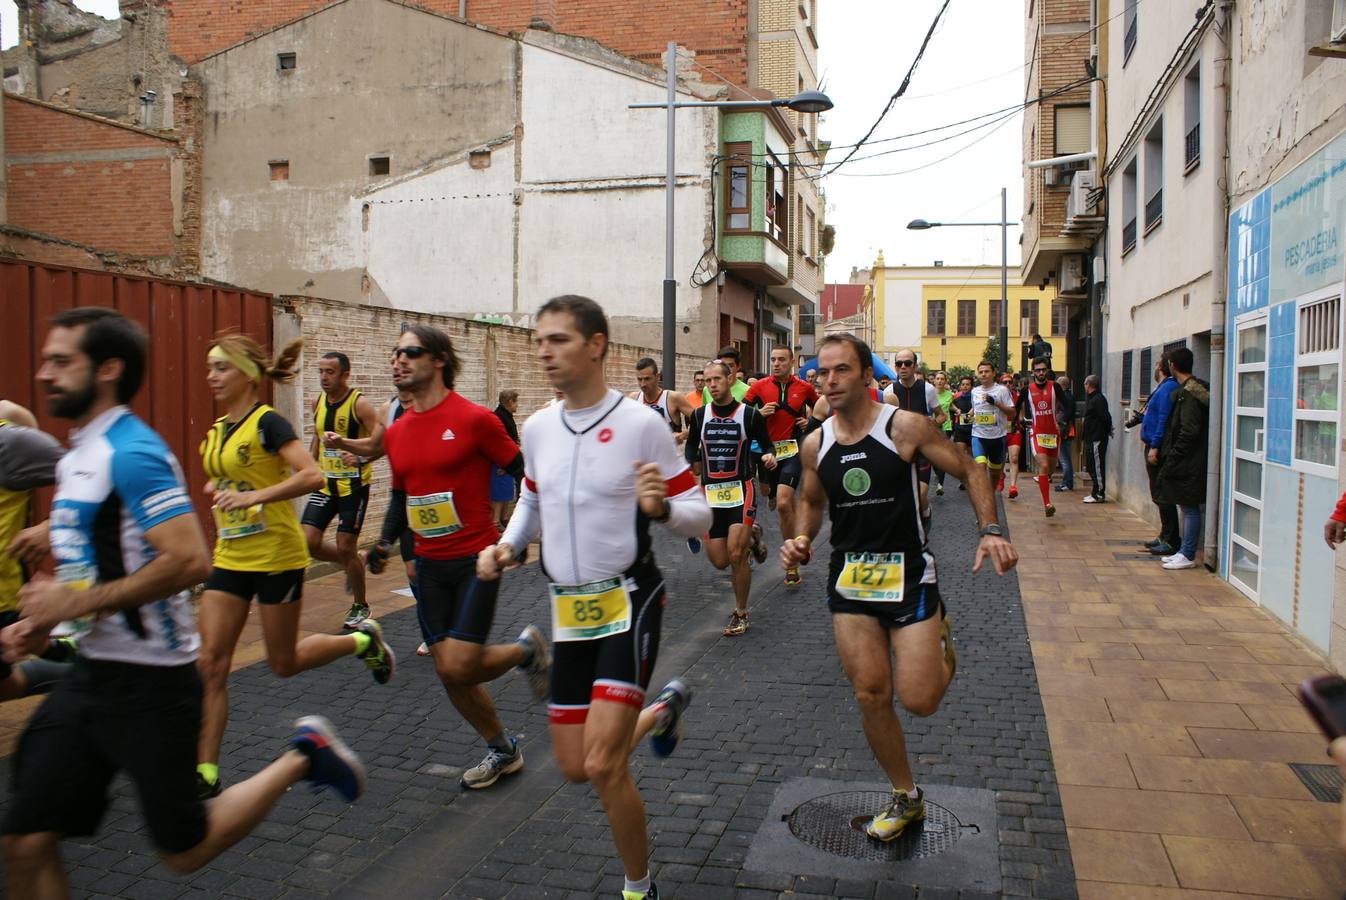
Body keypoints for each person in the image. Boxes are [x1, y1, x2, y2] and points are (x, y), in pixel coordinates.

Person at [1, 308, 365, 898]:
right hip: (97, 672)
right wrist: (39, 621)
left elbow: (186, 558)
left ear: (109, 369)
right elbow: (98, 561)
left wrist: (72, 603)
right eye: (46, 360)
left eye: (62, 362)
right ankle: (208, 765)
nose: (44, 374)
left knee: (186, 846)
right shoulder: (77, 458)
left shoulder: (134, 451)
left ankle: (305, 753)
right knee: (24, 839)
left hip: (155, 680)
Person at [479, 295, 711, 900]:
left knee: (606, 765)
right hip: (568, 612)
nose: (544, 351)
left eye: (557, 339)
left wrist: (660, 508)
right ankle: (659, 712)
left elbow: (701, 512)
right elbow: (531, 500)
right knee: (575, 766)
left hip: (630, 601)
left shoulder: (641, 425)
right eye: (540, 340)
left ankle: (639, 887)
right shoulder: (535, 428)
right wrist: (505, 547)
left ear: (596, 345)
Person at [780, 333, 1017, 843]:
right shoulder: (815, 443)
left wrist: (990, 530)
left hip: (909, 575)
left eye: (842, 370)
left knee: (920, 700)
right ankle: (905, 796)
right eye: (823, 372)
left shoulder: (905, 427)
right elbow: (812, 501)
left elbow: (971, 468)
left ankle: (941, 640)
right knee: (869, 693)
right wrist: (801, 538)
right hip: (850, 581)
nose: (831, 380)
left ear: (867, 376)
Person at [195, 332, 393, 800]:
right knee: (211, 665)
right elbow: (231, 479)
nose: (211, 376)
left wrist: (252, 495)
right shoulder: (217, 429)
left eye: (220, 367)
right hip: (230, 557)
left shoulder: (268, 424)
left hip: (275, 559)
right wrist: (222, 491)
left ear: (246, 373)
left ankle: (361, 639)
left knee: (282, 663)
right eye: (208, 368)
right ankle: (204, 770)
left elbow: (311, 474)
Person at [355, 326, 549, 790]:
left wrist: (515, 540)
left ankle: (527, 651)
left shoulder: (474, 420)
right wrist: (383, 542)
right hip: (428, 564)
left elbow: (525, 472)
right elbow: (401, 498)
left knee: (457, 665)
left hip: (476, 559)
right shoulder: (397, 432)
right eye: (394, 353)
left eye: (410, 352)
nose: (398, 361)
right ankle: (503, 749)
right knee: (448, 672)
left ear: (438, 360)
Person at [688, 362, 776, 635]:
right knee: (719, 560)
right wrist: (690, 464)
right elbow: (692, 446)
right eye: (707, 380)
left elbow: (767, 443)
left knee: (736, 556)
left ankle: (741, 613)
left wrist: (769, 457)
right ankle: (754, 536)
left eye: (716, 379)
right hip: (711, 494)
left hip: (740, 491)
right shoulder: (699, 415)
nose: (711, 385)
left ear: (730, 379)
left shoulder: (749, 415)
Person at [301, 352, 379, 630]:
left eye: (329, 372)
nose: (323, 377)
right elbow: (317, 435)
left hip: (353, 487)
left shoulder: (360, 405)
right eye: (320, 371)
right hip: (325, 485)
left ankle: (361, 604)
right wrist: (309, 464)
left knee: (346, 545)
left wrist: (359, 457)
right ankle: (353, 562)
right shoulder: (317, 402)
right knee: (308, 542)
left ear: (345, 374)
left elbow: (380, 443)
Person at [0, 408, 72, 701]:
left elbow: (97, 480)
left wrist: (51, 526)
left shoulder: (9, 443)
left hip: (2, 600)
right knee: (8, 685)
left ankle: (93, 669)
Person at [743, 346, 816, 585]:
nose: (776, 364)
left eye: (781, 360)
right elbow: (739, 414)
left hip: (792, 451)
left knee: (785, 503)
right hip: (765, 453)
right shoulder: (758, 387)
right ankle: (758, 528)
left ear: (792, 362)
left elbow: (823, 408)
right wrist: (759, 414)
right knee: (768, 494)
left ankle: (792, 563)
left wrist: (810, 422)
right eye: (773, 359)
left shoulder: (804, 388)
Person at [1153, 347, 1209, 570]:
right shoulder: (1185, 391)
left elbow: (1188, 431)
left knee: (1190, 507)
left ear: (1172, 366)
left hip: (1188, 461)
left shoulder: (1189, 394)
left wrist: (1173, 456)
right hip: (1186, 459)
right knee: (1186, 506)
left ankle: (1187, 553)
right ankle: (1183, 550)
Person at [884, 349, 946, 531]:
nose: (903, 367)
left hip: (922, 450)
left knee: (920, 494)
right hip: (898, 451)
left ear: (915, 366)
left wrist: (931, 425)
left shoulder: (927, 389)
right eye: (899, 364)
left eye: (907, 363)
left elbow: (942, 416)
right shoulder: (889, 391)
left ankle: (926, 513)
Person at [1015, 358, 1067, 518]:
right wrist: (1016, 421)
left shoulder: (1055, 387)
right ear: (1033, 372)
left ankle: (1045, 479)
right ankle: (1047, 504)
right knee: (1043, 465)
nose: (1040, 372)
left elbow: (1067, 405)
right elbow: (1017, 407)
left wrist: (1062, 422)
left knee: (1050, 469)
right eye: (1037, 370)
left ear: (1047, 371)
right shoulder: (1027, 390)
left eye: (1043, 369)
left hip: (1053, 434)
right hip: (1036, 433)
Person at [1140, 356, 1181, 555]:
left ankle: (1171, 539)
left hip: (1159, 448)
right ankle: (1164, 534)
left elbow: (1163, 419)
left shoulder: (1167, 388)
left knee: (1162, 494)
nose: (1155, 369)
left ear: (1163, 368)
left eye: (1156, 365)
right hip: (1152, 444)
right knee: (1157, 494)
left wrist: (1155, 446)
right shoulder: (1163, 387)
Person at [970, 362, 1016, 489]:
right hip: (978, 436)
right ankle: (983, 494)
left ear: (993, 373)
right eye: (981, 372)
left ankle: (990, 493)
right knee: (980, 466)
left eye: (986, 371)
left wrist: (996, 403)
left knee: (995, 474)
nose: (983, 374)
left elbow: (1012, 412)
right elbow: (975, 409)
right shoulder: (974, 391)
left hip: (997, 437)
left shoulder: (1002, 390)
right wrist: (968, 415)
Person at [631, 357, 693, 440]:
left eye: (647, 379)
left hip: (667, 452)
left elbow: (700, 421)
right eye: (639, 379)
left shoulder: (673, 398)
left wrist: (683, 434)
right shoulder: (633, 398)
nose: (643, 384)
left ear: (657, 376)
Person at [491, 389, 522, 531]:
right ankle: (496, 522)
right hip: (501, 463)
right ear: (510, 402)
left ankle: (503, 519)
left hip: (507, 461)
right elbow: (496, 443)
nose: (517, 406)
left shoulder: (506, 415)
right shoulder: (498, 417)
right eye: (516, 402)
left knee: (506, 492)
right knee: (499, 493)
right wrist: (502, 464)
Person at [1080, 375, 1112, 504]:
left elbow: (1105, 417)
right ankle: (1095, 491)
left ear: (1089, 384)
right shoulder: (1093, 399)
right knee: (1092, 466)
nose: (1084, 387)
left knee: (1097, 466)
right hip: (1091, 437)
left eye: (1085, 384)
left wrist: (1107, 429)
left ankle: (1099, 493)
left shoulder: (1098, 399)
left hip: (1097, 438)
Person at [929, 371, 955, 496]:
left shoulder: (950, 394)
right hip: (931, 427)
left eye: (942, 379)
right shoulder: (929, 393)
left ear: (945, 381)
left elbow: (952, 406)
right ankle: (937, 472)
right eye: (937, 378)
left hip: (946, 426)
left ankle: (940, 484)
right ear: (934, 381)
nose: (939, 381)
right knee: (933, 456)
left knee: (942, 454)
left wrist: (957, 410)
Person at [949, 375, 975, 487]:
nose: (965, 386)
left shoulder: (975, 400)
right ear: (960, 386)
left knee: (970, 456)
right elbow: (950, 408)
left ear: (971, 386)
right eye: (963, 384)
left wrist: (972, 413)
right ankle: (964, 479)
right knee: (961, 455)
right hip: (960, 430)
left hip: (973, 431)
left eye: (967, 384)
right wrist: (956, 410)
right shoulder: (956, 400)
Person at [1054, 375, 1076, 492]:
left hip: (1064, 431)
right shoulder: (1069, 396)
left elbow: (1063, 415)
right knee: (1065, 458)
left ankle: (1067, 482)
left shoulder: (1065, 398)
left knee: (1064, 458)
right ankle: (1068, 482)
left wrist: (1058, 426)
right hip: (1066, 429)